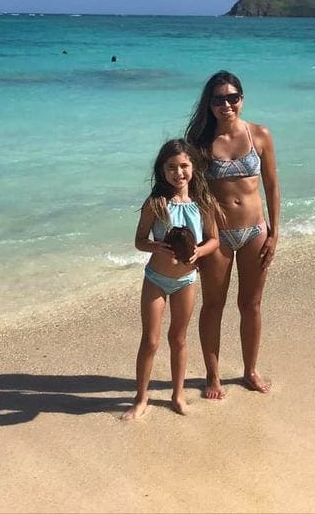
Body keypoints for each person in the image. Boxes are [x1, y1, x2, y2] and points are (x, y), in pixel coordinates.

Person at [186, 71, 280, 399]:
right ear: (208, 104)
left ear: (242, 99)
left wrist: (275, 232)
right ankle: (212, 376)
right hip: (217, 236)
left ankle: (249, 371)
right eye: (218, 99)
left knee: (251, 305)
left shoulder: (260, 135)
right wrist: (195, 240)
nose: (226, 105)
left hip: (255, 230)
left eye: (232, 98)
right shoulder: (200, 144)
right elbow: (190, 193)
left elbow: (271, 186)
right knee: (213, 305)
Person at [122, 139, 219, 420]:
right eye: (172, 167)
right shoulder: (155, 203)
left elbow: (214, 239)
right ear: (162, 170)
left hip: (186, 280)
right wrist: (156, 246)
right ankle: (141, 398)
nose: (179, 173)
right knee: (150, 341)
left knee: (178, 339)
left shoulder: (203, 202)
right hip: (156, 278)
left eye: (184, 166)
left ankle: (178, 395)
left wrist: (199, 251)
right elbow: (139, 241)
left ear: (193, 167)